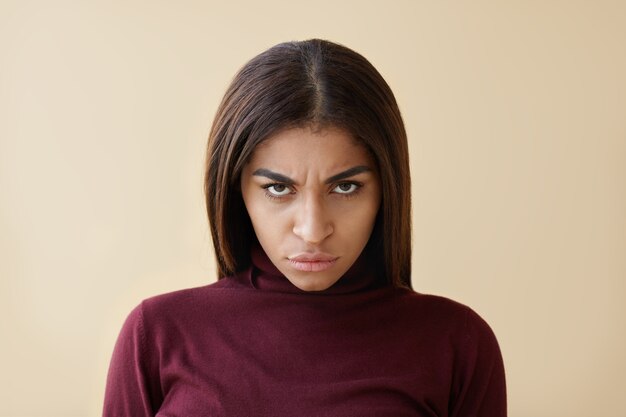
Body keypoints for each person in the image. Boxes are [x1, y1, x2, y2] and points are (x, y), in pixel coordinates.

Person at [103, 39, 507, 416]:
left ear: (387, 189)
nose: (313, 230)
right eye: (278, 188)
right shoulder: (156, 335)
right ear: (235, 189)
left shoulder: (457, 345)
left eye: (345, 187)